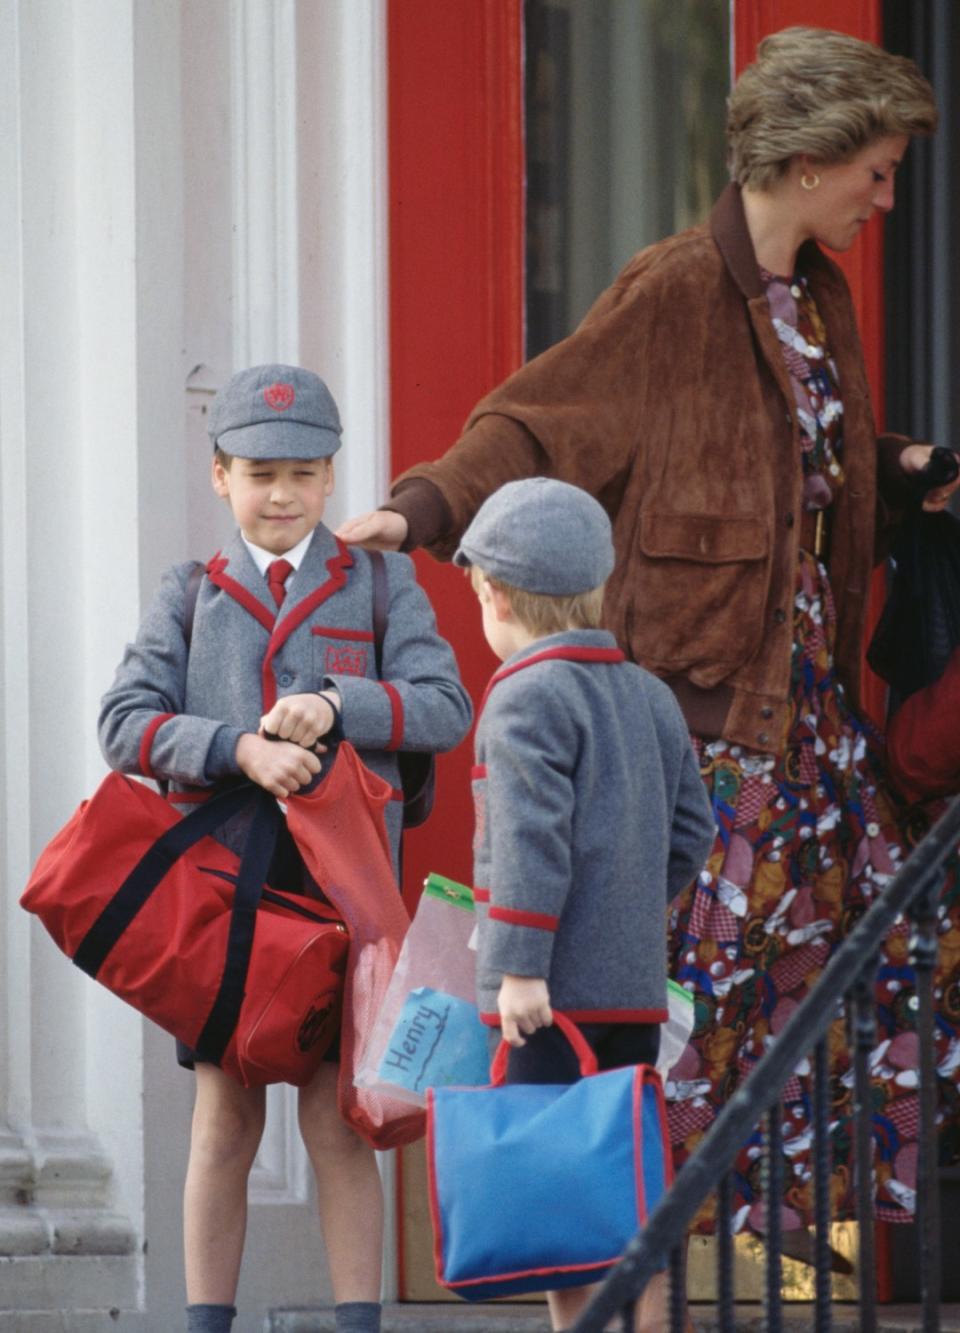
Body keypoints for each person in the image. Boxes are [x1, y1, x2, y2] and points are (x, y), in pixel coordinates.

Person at [339, 23, 960, 1273]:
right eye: (875, 171)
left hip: (816, 726)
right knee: (700, 1020)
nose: (886, 198)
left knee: (878, 979)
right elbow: (530, 420)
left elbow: (801, 475)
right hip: (719, 730)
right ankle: (626, 1256)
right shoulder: (675, 291)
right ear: (806, 159)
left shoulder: (821, 302)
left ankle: (762, 1260)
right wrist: (418, 512)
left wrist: (895, 471)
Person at [98, 364, 472, 1333]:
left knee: (338, 1121)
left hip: (344, 899)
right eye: (259, 472)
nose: (280, 494)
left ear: (331, 476)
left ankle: (358, 1325)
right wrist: (237, 748)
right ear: (220, 475)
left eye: (303, 473)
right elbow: (124, 722)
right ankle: (206, 1324)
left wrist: (343, 704)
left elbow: (445, 705)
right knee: (224, 1119)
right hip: (222, 906)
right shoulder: (191, 592)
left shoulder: (385, 583)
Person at [453, 477, 715, 1333]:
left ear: (493, 594)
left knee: (564, 1200)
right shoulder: (649, 694)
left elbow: (529, 839)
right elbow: (692, 831)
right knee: (624, 1188)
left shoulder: (524, 693)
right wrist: (630, 906)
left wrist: (520, 966)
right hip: (630, 991)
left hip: (547, 996)